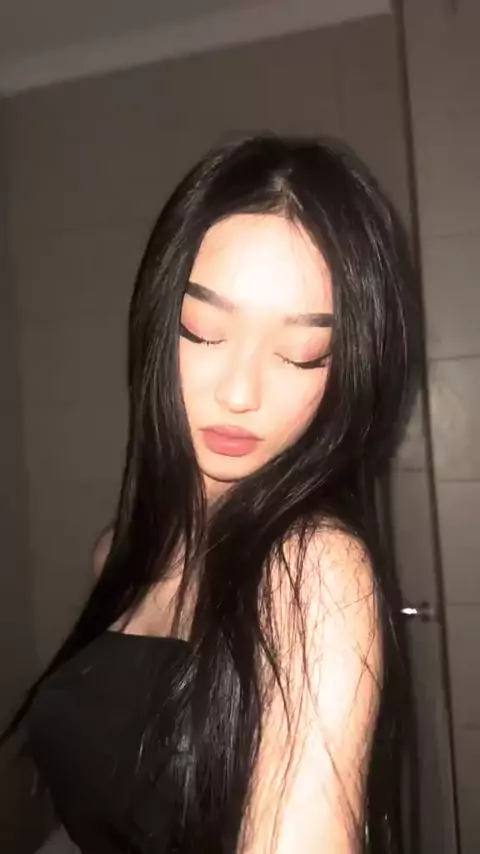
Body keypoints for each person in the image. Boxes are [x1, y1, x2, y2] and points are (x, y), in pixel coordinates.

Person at [4, 134, 416, 853]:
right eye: (204, 332)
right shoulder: (120, 555)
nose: (240, 392)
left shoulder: (315, 569)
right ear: (158, 321)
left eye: (301, 353)